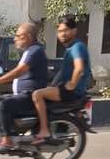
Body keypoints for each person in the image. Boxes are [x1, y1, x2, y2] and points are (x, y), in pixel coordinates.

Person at [0, 23, 48, 152]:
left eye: (18, 35)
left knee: (3, 105)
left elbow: (19, 71)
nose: (15, 38)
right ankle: (3, 133)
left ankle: (8, 140)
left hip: (29, 96)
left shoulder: (35, 51)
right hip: (22, 94)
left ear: (28, 36)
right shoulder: (29, 51)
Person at [32, 15, 92, 144]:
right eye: (59, 31)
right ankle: (56, 128)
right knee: (42, 94)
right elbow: (61, 72)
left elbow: (79, 67)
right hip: (67, 88)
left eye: (65, 30)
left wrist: (71, 84)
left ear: (74, 31)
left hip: (73, 91)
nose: (62, 34)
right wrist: (51, 85)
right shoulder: (69, 49)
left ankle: (44, 130)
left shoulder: (77, 47)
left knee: (37, 95)